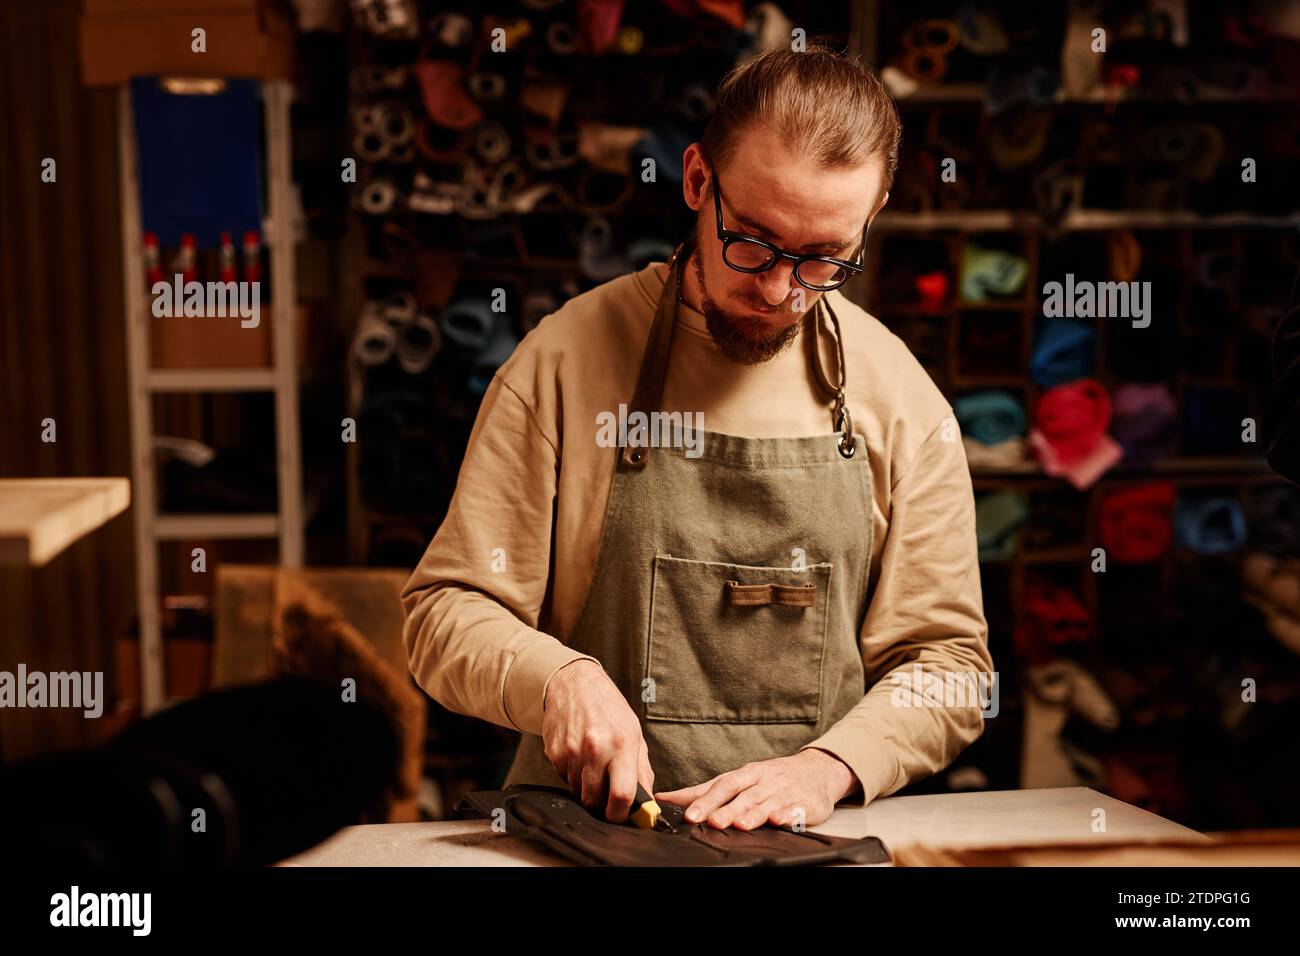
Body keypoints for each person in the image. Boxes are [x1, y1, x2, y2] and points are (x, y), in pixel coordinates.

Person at [403, 43, 993, 831]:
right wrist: (557, 680)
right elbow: (443, 612)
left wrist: (832, 768)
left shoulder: (902, 401)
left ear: (871, 217)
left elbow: (952, 668)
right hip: (596, 839)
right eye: (752, 242)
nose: (780, 292)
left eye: (823, 260)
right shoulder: (564, 363)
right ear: (696, 180)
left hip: (812, 844)